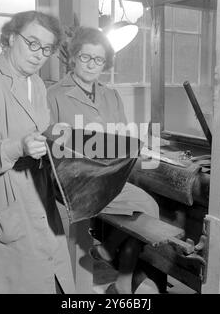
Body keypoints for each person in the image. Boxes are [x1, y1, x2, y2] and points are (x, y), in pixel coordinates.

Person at [0, 11, 75, 293]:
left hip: (36, 196)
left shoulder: (37, 85)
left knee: (48, 278)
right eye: (32, 43)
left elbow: (37, 133)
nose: (39, 54)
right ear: (10, 38)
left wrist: (55, 141)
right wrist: (18, 146)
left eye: (46, 49)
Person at [47, 26, 160, 294]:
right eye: (85, 57)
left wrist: (132, 148)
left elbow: (119, 138)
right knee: (66, 250)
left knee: (148, 208)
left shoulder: (111, 94)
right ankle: (80, 286)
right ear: (74, 58)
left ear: (105, 64)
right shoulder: (54, 95)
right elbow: (51, 146)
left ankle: (116, 267)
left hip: (106, 180)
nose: (91, 65)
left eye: (98, 60)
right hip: (70, 185)